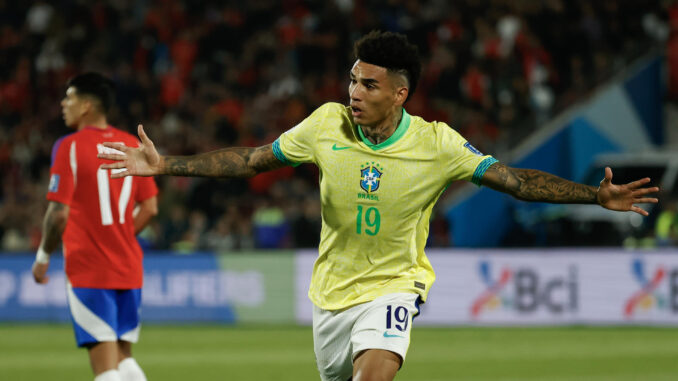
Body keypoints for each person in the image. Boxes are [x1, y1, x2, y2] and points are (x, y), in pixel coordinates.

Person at [99, 31, 659, 381]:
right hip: (330, 297)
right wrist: (166, 165)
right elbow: (250, 161)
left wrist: (594, 195)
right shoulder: (325, 125)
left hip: (395, 286)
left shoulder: (437, 142)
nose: (354, 92)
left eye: (368, 84)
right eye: (351, 80)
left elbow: (512, 180)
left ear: (400, 93)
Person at [32, 73, 159, 381]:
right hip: (128, 265)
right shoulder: (129, 143)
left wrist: (42, 256)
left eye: (70, 98)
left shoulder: (69, 147)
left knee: (105, 369)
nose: (64, 104)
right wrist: (120, 236)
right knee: (124, 358)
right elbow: (151, 208)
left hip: (89, 268)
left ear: (87, 105)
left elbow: (58, 215)